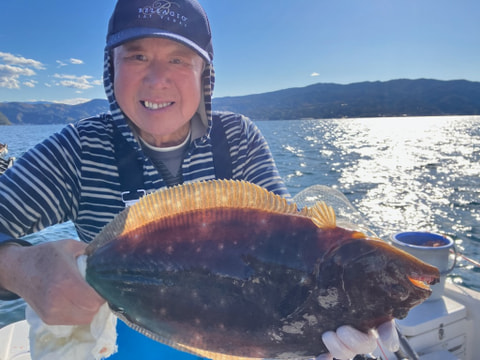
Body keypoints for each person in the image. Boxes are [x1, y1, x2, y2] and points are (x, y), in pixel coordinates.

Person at [0, 0, 398, 359]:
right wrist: (17, 268)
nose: (157, 80)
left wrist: (330, 320)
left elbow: (295, 251)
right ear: (112, 67)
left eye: (179, 59)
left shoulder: (238, 139)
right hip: (118, 346)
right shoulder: (78, 151)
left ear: (203, 73)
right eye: (137, 56)